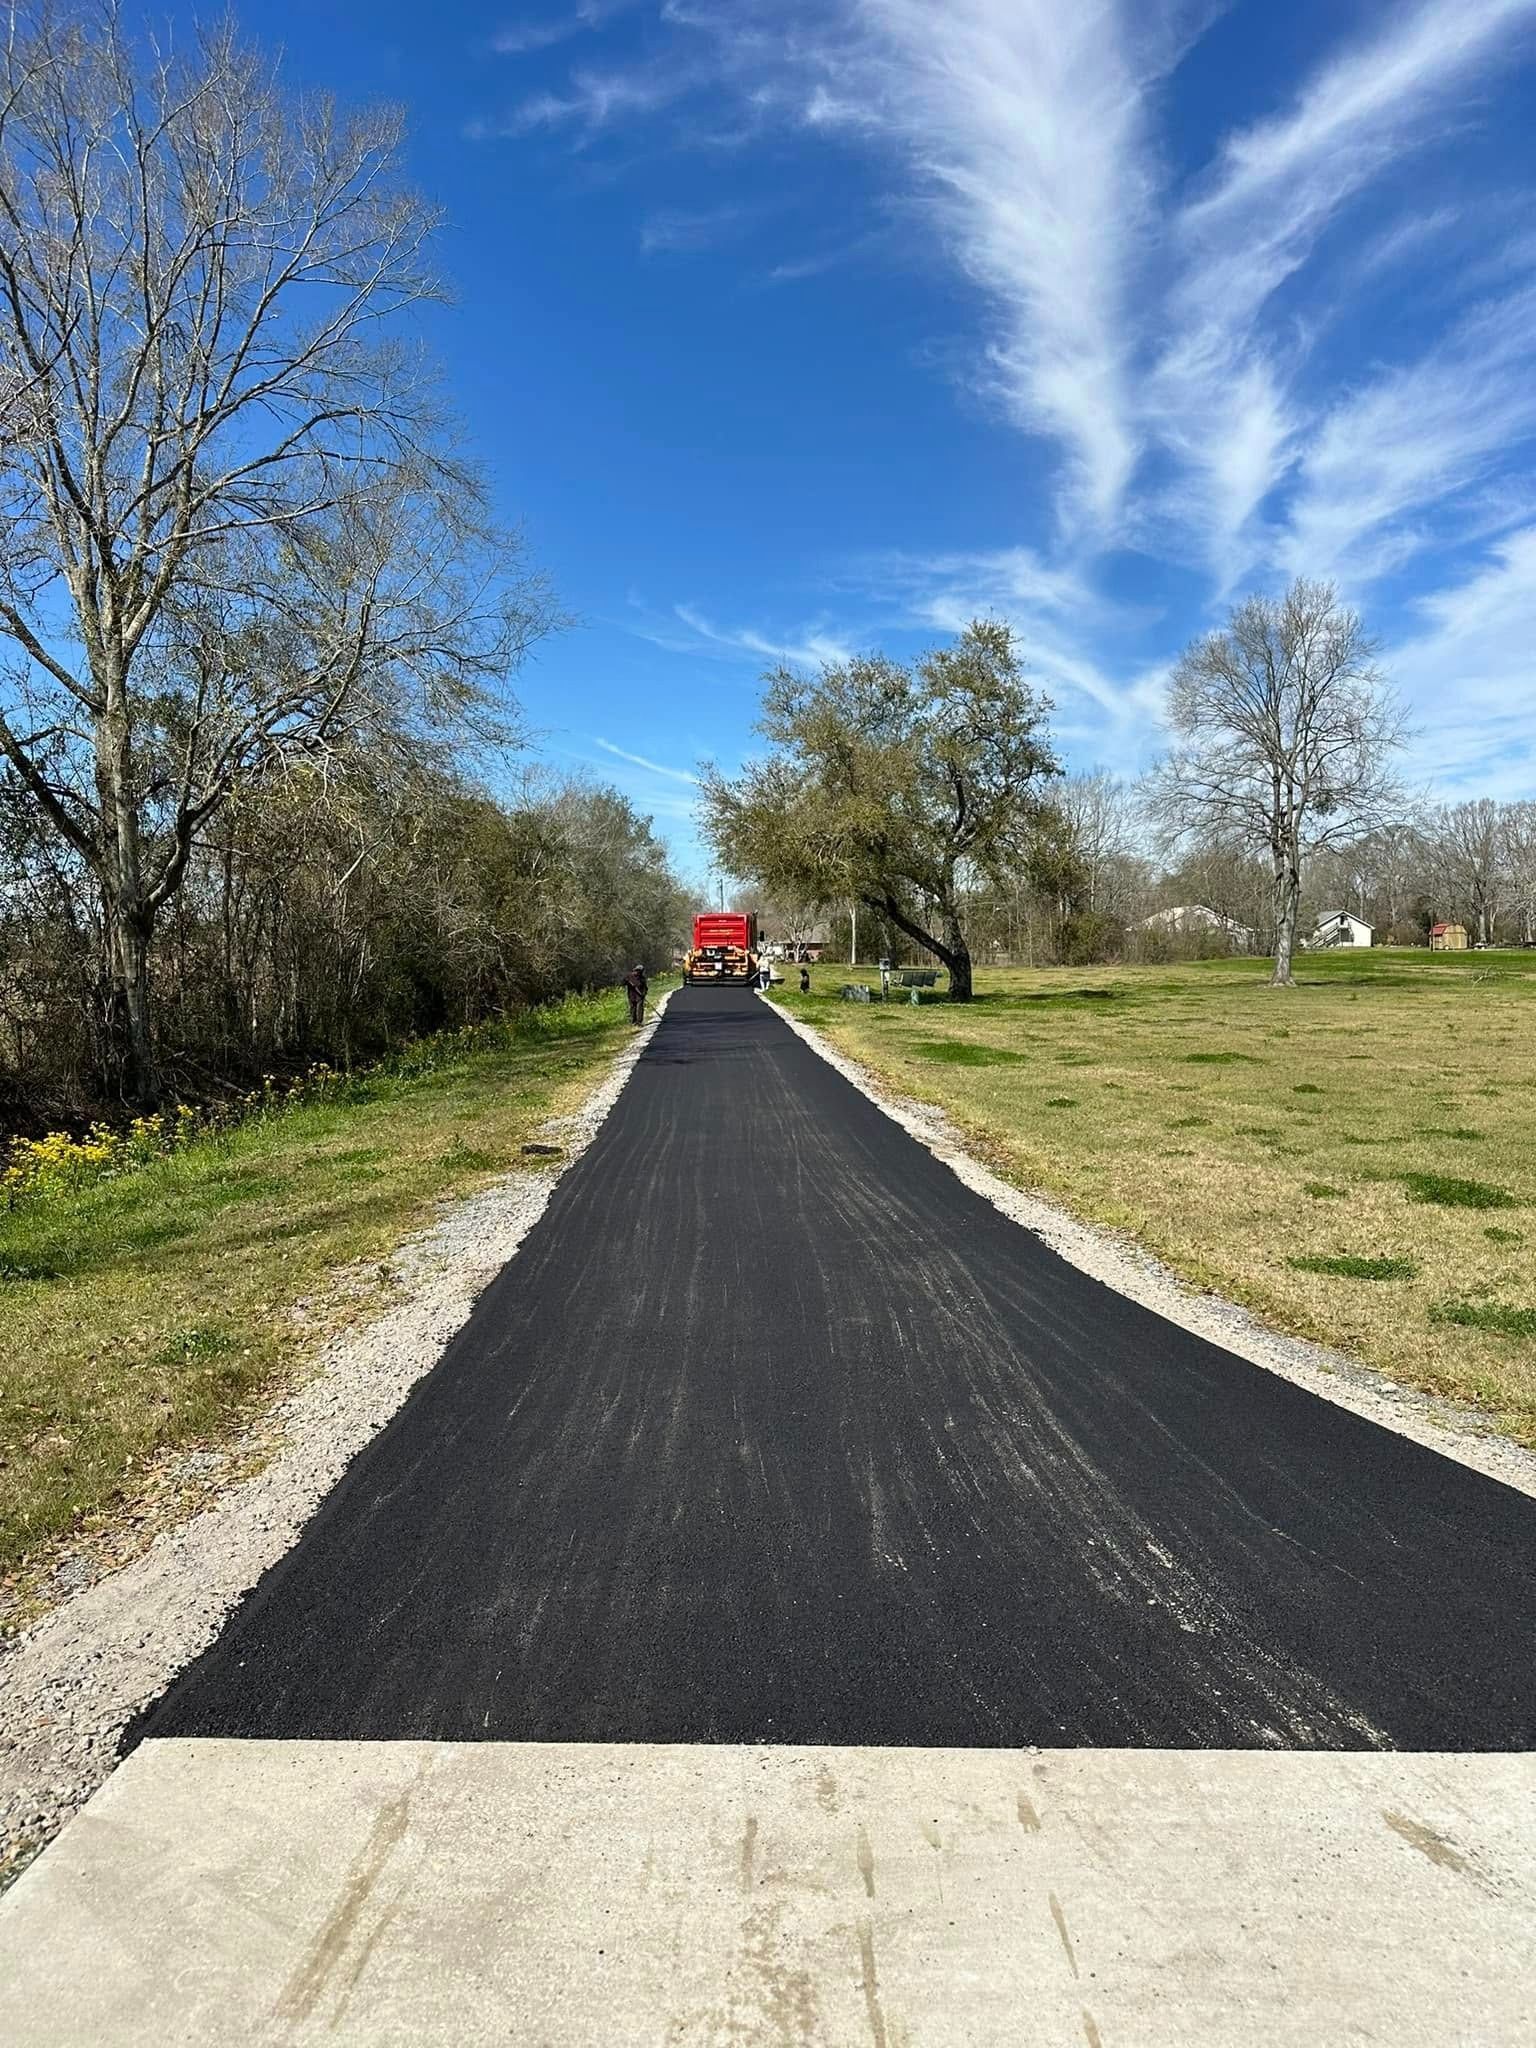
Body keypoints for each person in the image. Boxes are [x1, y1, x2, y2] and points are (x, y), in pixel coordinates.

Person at [623, 962, 648, 1026]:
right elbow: (623, 983)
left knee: (640, 1008)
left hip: (640, 996)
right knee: (632, 1008)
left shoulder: (642, 978)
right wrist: (627, 981)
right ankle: (633, 1022)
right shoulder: (629, 976)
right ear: (635, 970)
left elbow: (645, 987)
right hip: (632, 995)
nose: (638, 972)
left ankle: (639, 1022)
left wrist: (644, 994)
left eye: (640, 971)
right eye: (637, 971)